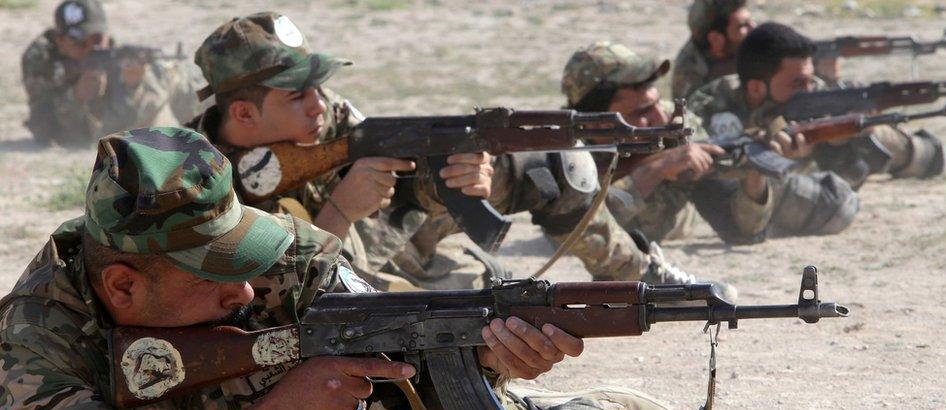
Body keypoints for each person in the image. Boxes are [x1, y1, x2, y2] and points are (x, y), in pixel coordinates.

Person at [0, 127, 693, 410]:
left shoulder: (287, 257)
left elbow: (405, 343)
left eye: (242, 256)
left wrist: (484, 354)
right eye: (216, 275)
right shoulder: (34, 342)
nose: (243, 290)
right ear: (122, 286)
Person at [189, 12, 727, 294]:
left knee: (560, 165)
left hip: (382, 235)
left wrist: (456, 175)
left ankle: (636, 271)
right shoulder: (198, 187)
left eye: (318, 87)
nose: (319, 103)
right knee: (481, 294)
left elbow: (397, 179)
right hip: (325, 284)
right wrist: (341, 212)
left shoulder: (325, 116)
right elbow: (279, 294)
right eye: (298, 94)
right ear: (243, 116)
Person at [690, 23, 946, 197]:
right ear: (756, 88)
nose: (809, 89)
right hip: (768, 197)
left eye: (810, 79)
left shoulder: (818, 96)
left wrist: (838, 144)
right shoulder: (712, 104)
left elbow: (851, 178)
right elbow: (707, 173)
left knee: (876, 134)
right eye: (797, 83)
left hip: (843, 158)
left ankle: (924, 154)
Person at [562, 42, 773, 245]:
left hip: (681, 221)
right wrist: (655, 170)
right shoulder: (563, 147)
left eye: (656, 102)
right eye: (641, 112)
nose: (660, 116)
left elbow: (743, 232)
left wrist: (755, 172)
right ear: (597, 122)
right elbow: (576, 233)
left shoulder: (679, 126)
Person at [20, 0, 204, 146]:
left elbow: (122, 126)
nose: (93, 47)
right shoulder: (40, 58)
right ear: (60, 41)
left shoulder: (114, 55)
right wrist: (75, 96)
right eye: (81, 43)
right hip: (68, 128)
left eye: (98, 38)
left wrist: (133, 87)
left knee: (172, 76)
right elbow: (43, 125)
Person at [671, 0, 755, 100]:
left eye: (750, 21)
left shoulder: (747, 45)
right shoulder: (690, 76)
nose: (754, 27)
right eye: (742, 26)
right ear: (715, 40)